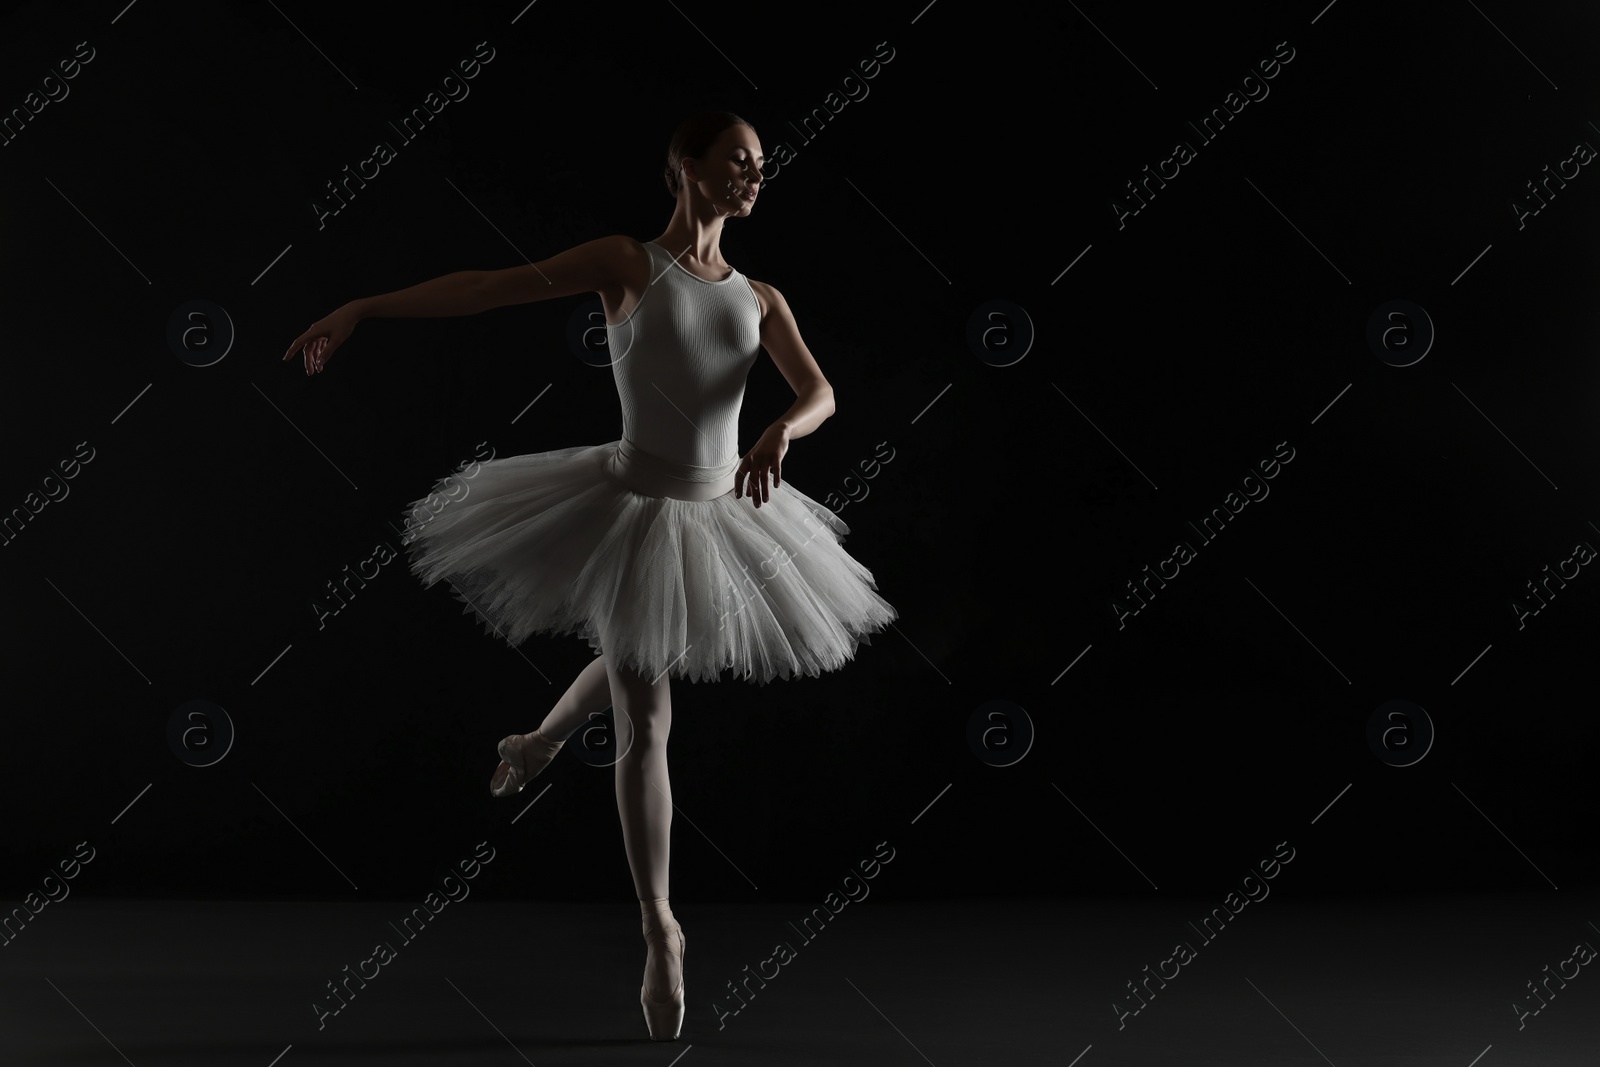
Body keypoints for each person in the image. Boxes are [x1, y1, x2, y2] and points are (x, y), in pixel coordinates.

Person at [281, 110, 897, 1041]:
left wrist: (780, 429)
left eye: (761, 164)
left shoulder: (761, 296)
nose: (754, 175)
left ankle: (535, 741)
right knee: (649, 715)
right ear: (683, 168)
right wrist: (364, 307)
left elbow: (821, 393)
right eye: (736, 159)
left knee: (633, 655)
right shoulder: (628, 264)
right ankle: (661, 926)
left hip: (721, 515)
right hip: (629, 502)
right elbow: (492, 287)